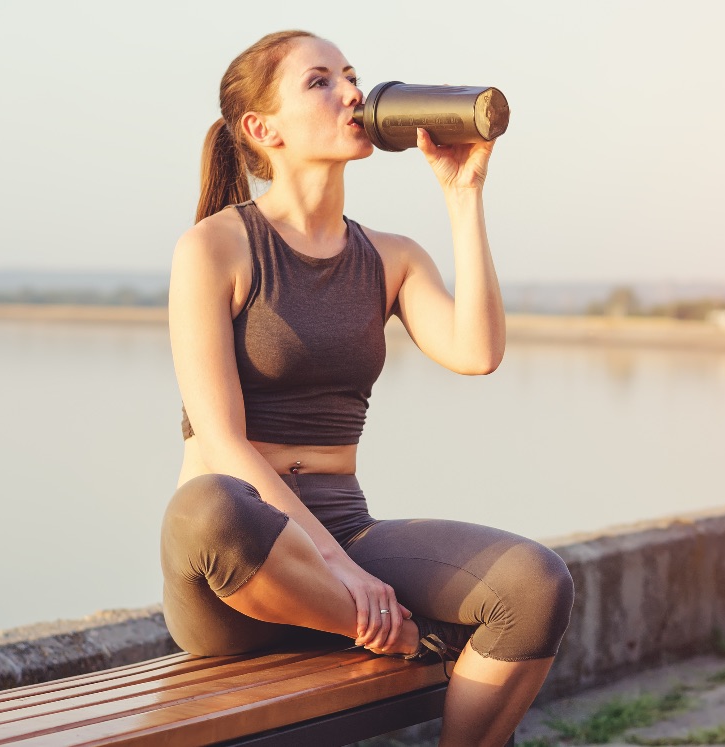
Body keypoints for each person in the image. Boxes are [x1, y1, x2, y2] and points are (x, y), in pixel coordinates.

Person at [159, 30, 574, 746]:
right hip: (241, 570)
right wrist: (346, 580)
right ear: (263, 129)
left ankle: (383, 632)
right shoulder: (215, 248)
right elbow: (222, 439)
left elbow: (477, 352)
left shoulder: (389, 257)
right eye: (320, 82)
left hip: (346, 534)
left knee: (537, 583)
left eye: (351, 76)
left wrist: (463, 194)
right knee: (210, 506)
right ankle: (392, 630)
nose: (352, 93)